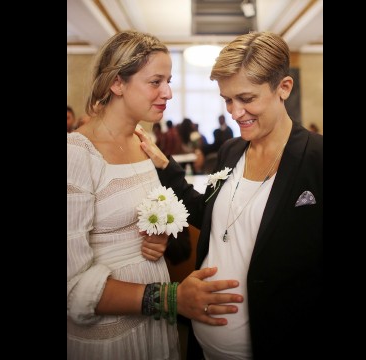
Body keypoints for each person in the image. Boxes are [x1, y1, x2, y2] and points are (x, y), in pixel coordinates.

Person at [136, 31, 323, 359]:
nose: (235, 112)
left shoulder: (317, 159)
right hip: (205, 347)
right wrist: (165, 166)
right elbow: (206, 214)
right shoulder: (231, 150)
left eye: (247, 98)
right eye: (227, 100)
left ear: (284, 88)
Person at [67, 29, 243, 360]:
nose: (169, 92)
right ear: (118, 83)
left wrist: (157, 234)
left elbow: (140, 212)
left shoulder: (140, 139)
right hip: (110, 331)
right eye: (156, 82)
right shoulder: (76, 154)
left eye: (170, 80)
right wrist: (169, 298)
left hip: (152, 323)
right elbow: (72, 288)